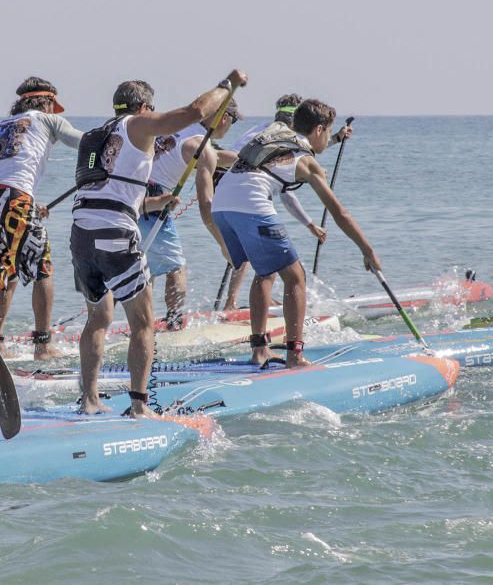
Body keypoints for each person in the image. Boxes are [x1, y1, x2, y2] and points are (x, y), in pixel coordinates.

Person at [71, 70, 248, 416]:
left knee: (99, 318)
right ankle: (139, 407)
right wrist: (227, 84)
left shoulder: (94, 136)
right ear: (144, 107)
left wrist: (154, 203)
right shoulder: (138, 125)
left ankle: (89, 401)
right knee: (142, 322)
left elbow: (107, 190)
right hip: (115, 235)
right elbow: (196, 111)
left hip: (81, 235)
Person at [212, 98, 380, 367]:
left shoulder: (276, 135)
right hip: (250, 204)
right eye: (328, 132)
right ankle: (295, 355)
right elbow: (340, 213)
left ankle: (259, 350)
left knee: (264, 272)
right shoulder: (306, 161)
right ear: (319, 129)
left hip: (220, 205)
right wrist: (368, 250)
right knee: (295, 277)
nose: (327, 139)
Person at [0, 77, 83, 360]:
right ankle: (43, 345)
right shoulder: (47, 120)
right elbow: (84, 143)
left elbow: (6, 170)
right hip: (16, 198)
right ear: (47, 102)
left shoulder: (2, 126)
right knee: (43, 268)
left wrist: (30, 204)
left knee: (6, 273)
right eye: (53, 106)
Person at [213, 94, 342, 310]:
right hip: (236, 185)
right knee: (266, 258)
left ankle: (234, 303)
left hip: (228, 190)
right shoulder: (275, 135)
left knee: (254, 254)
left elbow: (306, 148)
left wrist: (336, 138)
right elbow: (287, 190)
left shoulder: (268, 130)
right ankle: (233, 303)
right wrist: (310, 223)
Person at [137, 97, 242, 329]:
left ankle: (141, 324)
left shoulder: (179, 128)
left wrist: (249, 161)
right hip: (155, 203)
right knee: (176, 267)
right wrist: (224, 245)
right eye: (232, 122)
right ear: (224, 117)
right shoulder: (202, 150)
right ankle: (173, 325)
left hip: (129, 196)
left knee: (145, 265)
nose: (230, 127)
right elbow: (206, 205)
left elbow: (215, 156)